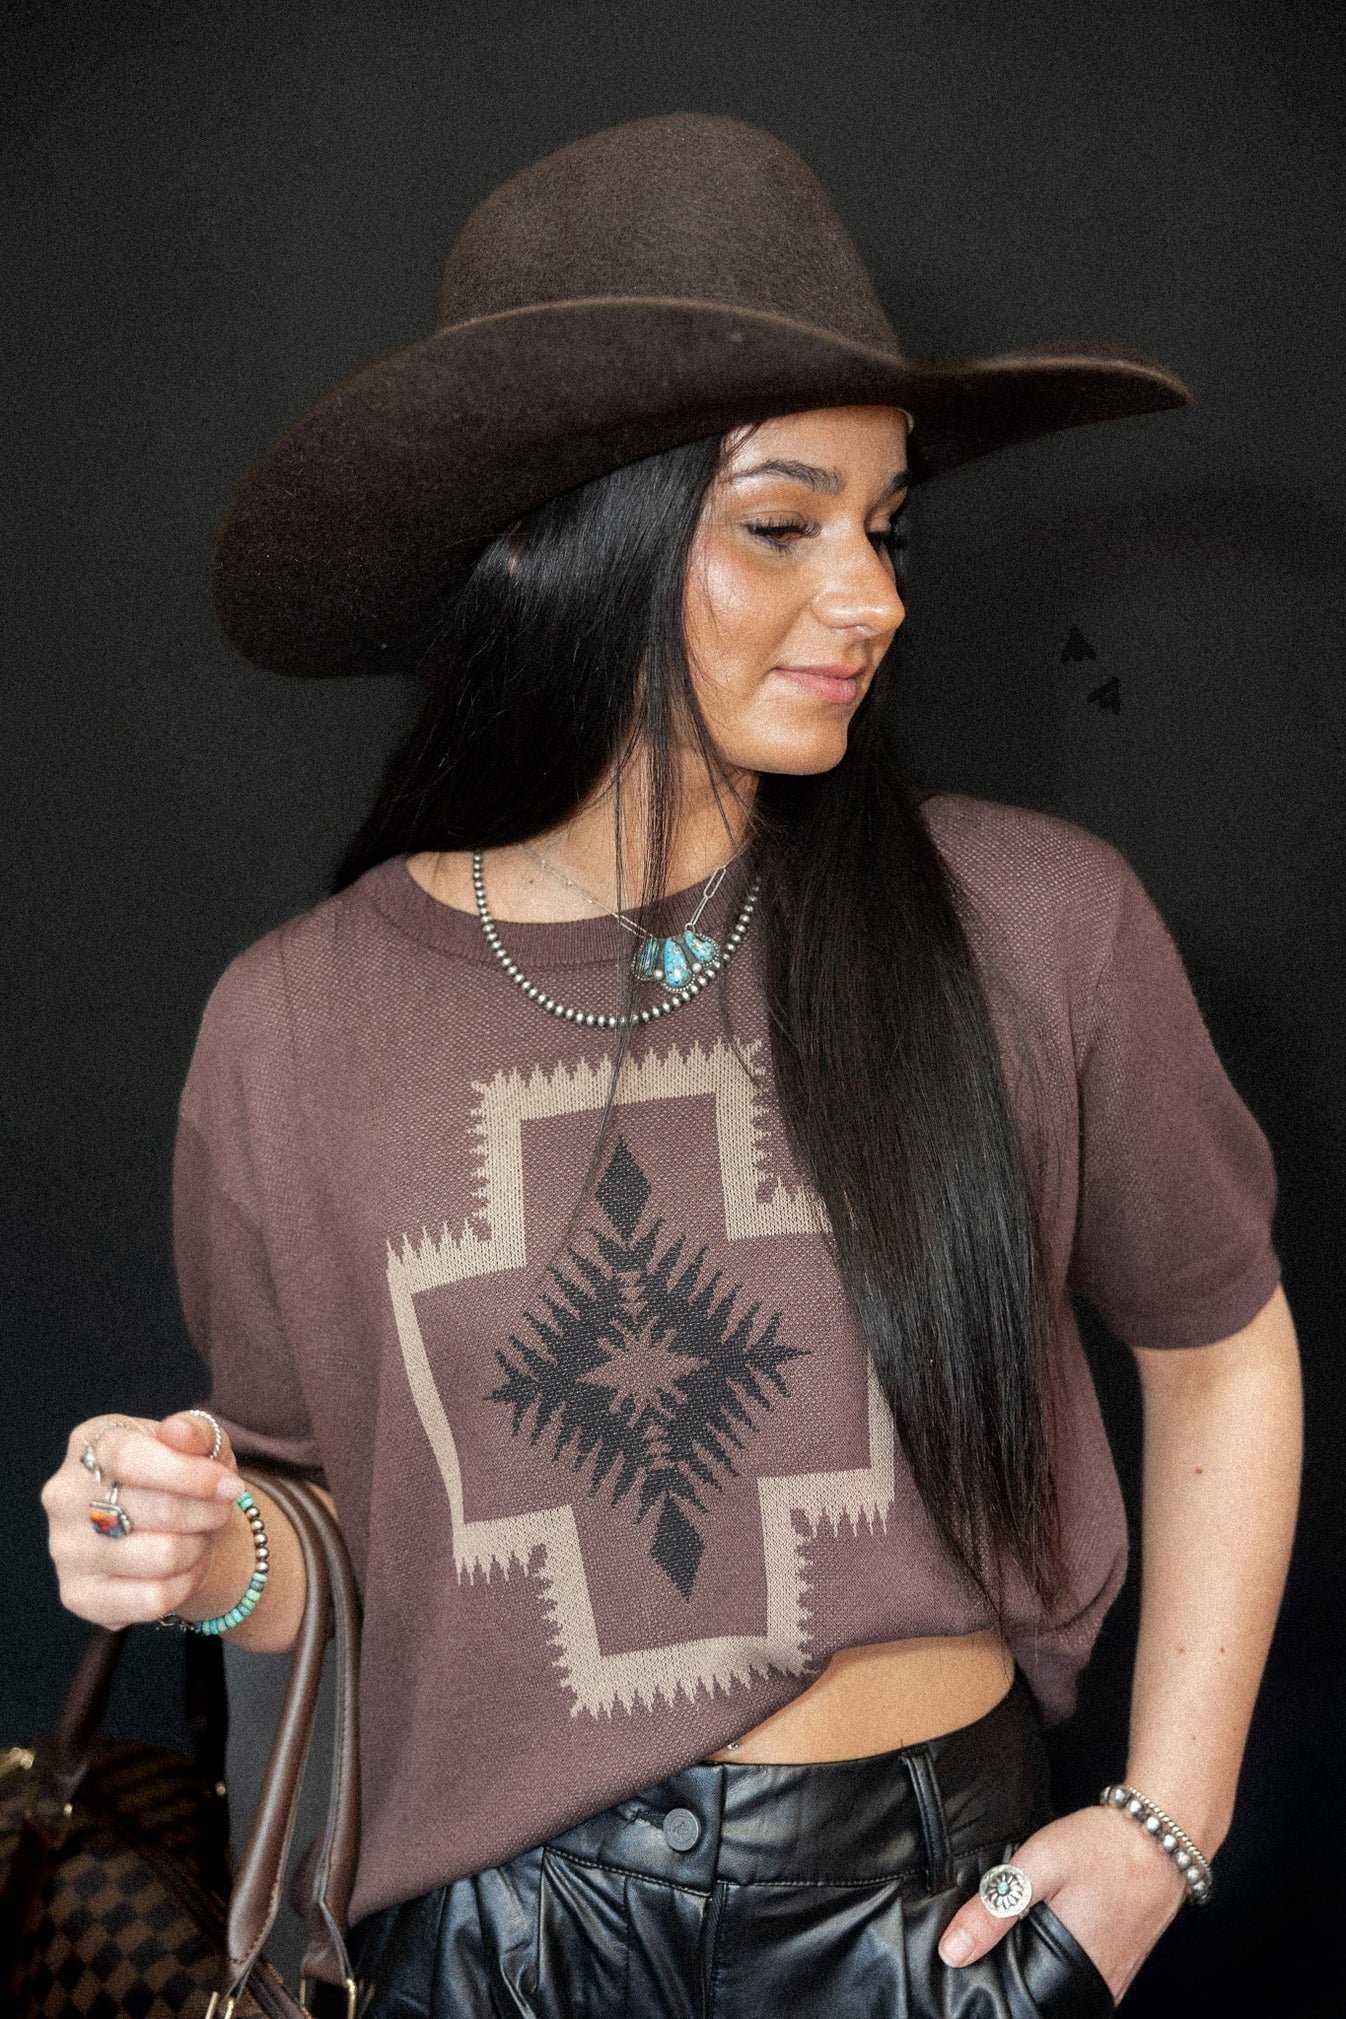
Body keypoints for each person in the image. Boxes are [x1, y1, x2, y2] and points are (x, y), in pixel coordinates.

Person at [40, 114, 1301, 2016]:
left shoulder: (1031, 925)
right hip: (490, 1952)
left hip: (929, 1927)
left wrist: (1165, 1825)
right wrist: (206, 1555)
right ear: (568, 540)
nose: (872, 595)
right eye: (783, 524)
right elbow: (332, 1558)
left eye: (883, 524)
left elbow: (1219, 1342)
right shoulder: (291, 1026)